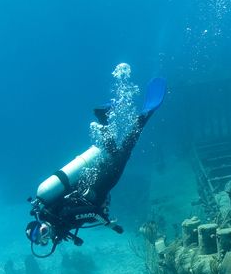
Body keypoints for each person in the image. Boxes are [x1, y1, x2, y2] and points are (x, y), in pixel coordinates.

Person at [25, 75, 167, 256]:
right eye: (43, 240)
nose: (46, 236)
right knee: (117, 154)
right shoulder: (56, 217)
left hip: (100, 183)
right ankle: (104, 119)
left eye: (43, 231)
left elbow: (91, 212)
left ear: (42, 224)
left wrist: (108, 224)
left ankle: (145, 115)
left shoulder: (62, 215)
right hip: (94, 181)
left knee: (124, 152)